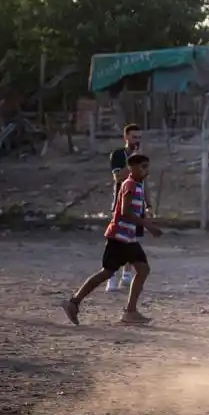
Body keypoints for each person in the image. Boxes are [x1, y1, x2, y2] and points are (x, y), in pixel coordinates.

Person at [62, 153, 161, 325]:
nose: (146, 170)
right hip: (118, 237)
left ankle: (130, 312)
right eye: (142, 166)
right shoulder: (129, 184)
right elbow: (125, 211)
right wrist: (147, 225)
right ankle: (74, 302)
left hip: (128, 238)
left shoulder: (138, 185)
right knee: (107, 273)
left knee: (142, 269)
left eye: (147, 166)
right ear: (132, 168)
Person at [105, 124, 151, 293]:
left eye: (139, 137)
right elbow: (118, 177)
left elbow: (145, 183)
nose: (137, 141)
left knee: (133, 239)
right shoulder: (118, 155)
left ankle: (127, 275)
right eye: (134, 137)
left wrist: (149, 205)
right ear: (126, 138)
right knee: (116, 240)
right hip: (121, 205)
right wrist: (133, 159)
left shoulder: (142, 159)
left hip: (137, 206)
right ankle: (110, 277)